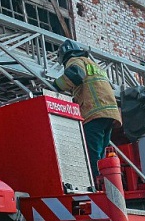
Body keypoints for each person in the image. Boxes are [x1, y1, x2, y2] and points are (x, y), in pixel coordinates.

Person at [52, 39, 122, 179]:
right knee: (101, 152)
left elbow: (75, 74)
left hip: (93, 112)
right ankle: (104, 179)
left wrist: (56, 85)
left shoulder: (74, 61)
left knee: (92, 153)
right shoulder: (95, 65)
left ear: (64, 57)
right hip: (110, 113)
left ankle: (96, 181)